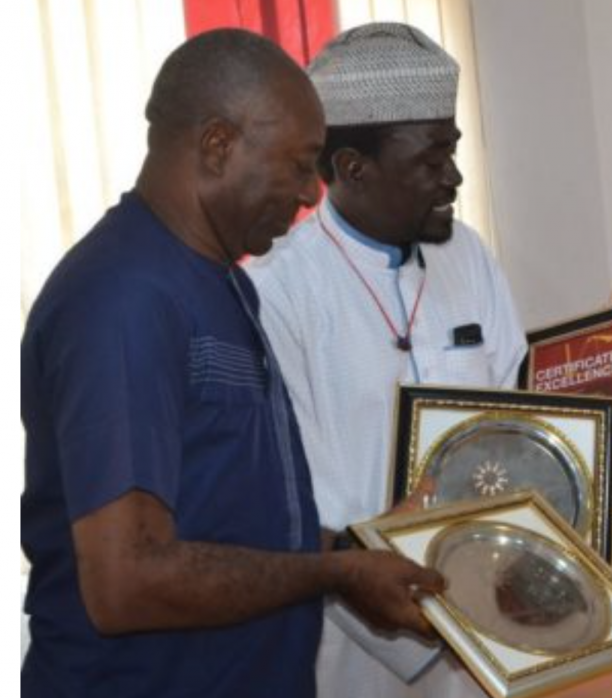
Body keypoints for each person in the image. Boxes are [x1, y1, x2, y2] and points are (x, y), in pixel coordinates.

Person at [20, 29, 445, 698]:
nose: (312, 193)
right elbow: (126, 581)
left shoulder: (223, 283)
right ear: (218, 146)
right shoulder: (123, 298)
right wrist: (334, 576)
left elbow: (236, 518)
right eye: (300, 163)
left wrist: (349, 553)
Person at [246, 22, 526, 698]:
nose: (454, 177)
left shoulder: (468, 256)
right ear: (351, 168)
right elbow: (287, 501)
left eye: (453, 151)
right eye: (431, 159)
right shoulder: (277, 290)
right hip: (358, 647)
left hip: (491, 622)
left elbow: (518, 413)